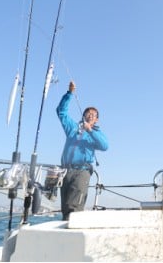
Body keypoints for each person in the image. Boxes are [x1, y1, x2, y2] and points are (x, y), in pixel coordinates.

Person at [56, 80, 108, 220]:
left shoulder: (96, 133)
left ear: (96, 120)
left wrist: (90, 130)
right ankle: (66, 234)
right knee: (65, 207)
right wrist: (69, 93)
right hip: (65, 171)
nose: (91, 114)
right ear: (83, 116)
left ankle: (71, 234)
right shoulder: (72, 128)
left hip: (82, 171)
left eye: (94, 114)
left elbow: (105, 146)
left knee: (74, 207)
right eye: (88, 112)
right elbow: (61, 112)